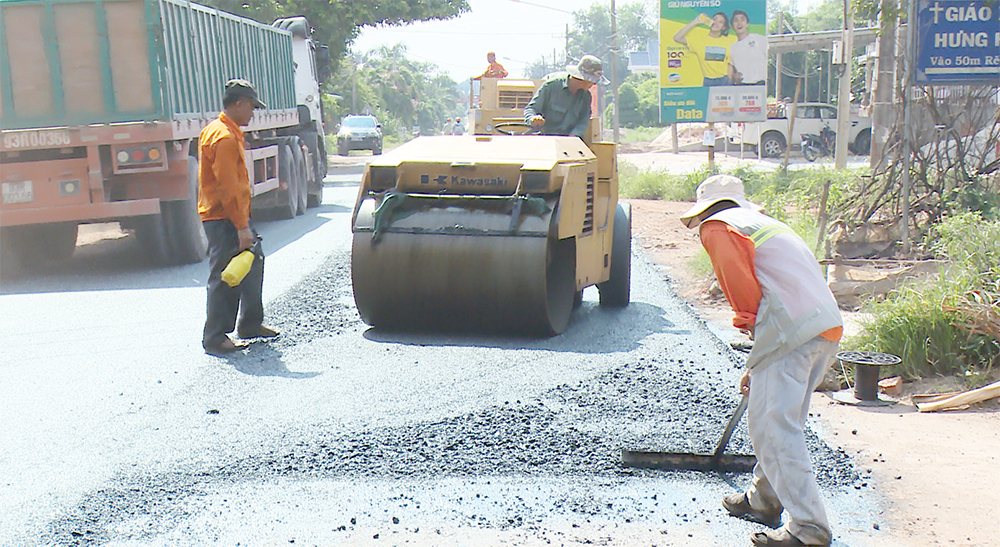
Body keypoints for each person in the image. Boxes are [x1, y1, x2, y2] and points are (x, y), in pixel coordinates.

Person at [679, 175, 843, 547]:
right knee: (780, 420)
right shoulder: (766, 224)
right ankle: (764, 499)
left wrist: (755, 336)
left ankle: (809, 528)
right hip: (823, 326)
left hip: (790, 329)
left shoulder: (718, 226)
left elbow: (744, 292)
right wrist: (758, 363)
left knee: (773, 427)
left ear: (708, 209)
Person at [198, 79, 279, 356]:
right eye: (252, 107)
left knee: (254, 262)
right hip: (225, 217)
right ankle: (215, 337)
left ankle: (250, 323)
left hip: (233, 214)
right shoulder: (224, 137)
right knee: (226, 275)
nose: (253, 113)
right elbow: (228, 187)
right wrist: (241, 226)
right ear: (239, 104)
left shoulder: (223, 130)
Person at [523, 55, 604, 140]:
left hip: (569, 143)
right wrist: (533, 118)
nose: (594, 84)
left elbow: (583, 121)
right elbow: (531, 109)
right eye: (593, 80)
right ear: (583, 78)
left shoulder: (585, 97)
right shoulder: (551, 86)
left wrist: (574, 136)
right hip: (545, 140)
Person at [673, 12, 734, 86]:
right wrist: (695, 22)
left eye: (720, 22)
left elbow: (730, 63)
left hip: (724, 80)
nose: (716, 23)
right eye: (714, 19)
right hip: (708, 81)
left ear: (723, 27)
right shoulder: (699, 40)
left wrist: (730, 81)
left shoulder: (728, 42)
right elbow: (677, 38)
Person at [728, 10, 768, 85]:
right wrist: (734, 76)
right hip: (743, 86)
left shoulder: (759, 39)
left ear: (747, 24)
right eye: (736, 21)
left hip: (760, 84)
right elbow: (731, 70)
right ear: (732, 26)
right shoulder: (732, 48)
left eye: (742, 20)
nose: (739, 23)